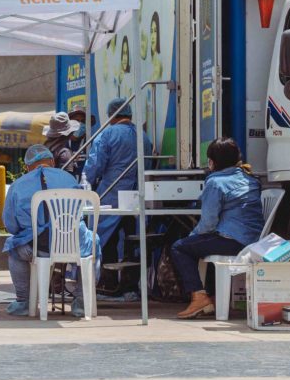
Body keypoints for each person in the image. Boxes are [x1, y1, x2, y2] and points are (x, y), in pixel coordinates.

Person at [170, 138, 264, 319]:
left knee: (180, 247)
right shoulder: (250, 178)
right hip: (253, 241)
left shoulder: (215, 183)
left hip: (232, 241)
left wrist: (191, 236)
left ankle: (199, 297)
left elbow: (208, 223)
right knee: (202, 245)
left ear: (212, 162)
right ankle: (212, 296)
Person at [1, 145, 94, 317]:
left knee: (14, 249)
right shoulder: (69, 179)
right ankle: (81, 302)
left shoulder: (18, 186)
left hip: (37, 248)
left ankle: (23, 302)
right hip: (73, 245)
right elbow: (79, 212)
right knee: (93, 243)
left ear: (28, 166)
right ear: (51, 161)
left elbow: (11, 225)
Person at [83, 97, 152, 265]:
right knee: (131, 237)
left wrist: (83, 186)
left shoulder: (107, 134)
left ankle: (108, 279)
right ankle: (130, 283)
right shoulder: (143, 137)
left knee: (105, 237)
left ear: (111, 115)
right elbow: (148, 164)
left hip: (111, 194)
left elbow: (95, 166)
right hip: (137, 194)